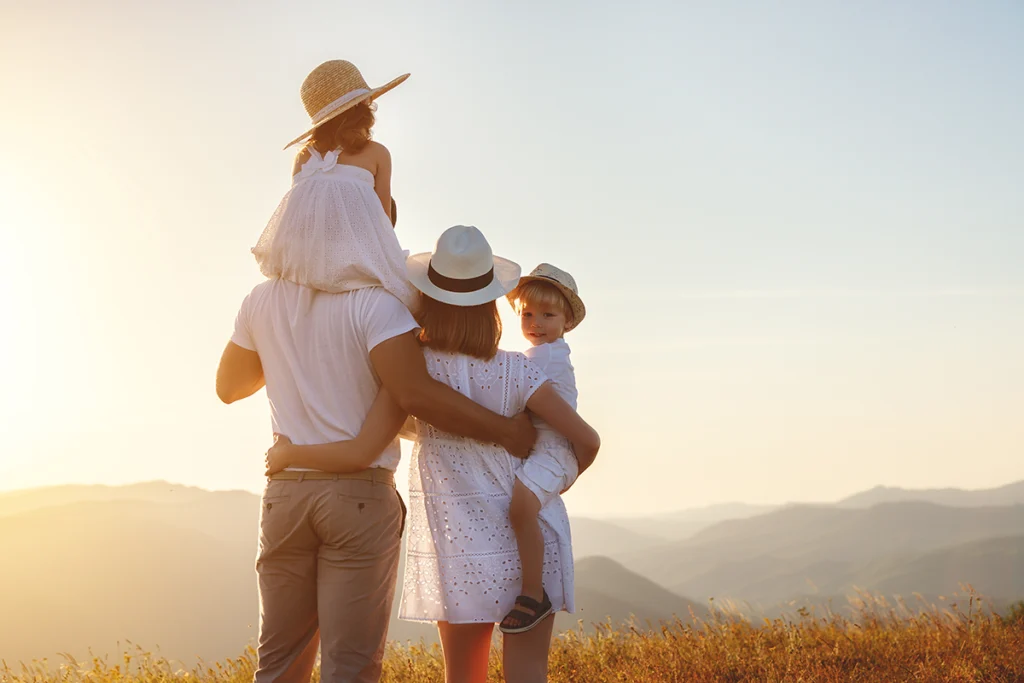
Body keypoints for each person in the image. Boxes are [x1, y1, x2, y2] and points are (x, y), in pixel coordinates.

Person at [216, 63, 537, 683]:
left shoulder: (262, 302)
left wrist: (287, 348)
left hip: (285, 494)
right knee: (351, 665)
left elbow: (230, 387)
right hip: (357, 496)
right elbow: (416, 393)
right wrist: (507, 431)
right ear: (373, 197)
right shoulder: (378, 304)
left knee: (278, 663)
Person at [266, 225, 599, 683]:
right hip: (528, 541)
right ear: (491, 303)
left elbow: (367, 445)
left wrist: (292, 451)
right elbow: (586, 440)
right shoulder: (519, 371)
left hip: (461, 545)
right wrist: (548, 480)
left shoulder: (412, 376)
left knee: (464, 677)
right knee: (528, 675)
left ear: (427, 299)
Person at [251, 59, 418, 311]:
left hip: (306, 265)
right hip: (359, 261)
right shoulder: (377, 154)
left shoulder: (303, 158)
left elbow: (306, 220)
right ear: (362, 106)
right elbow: (382, 225)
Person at [498, 264, 588, 634]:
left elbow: (511, 391)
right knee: (523, 508)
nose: (535, 323)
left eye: (548, 315)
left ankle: (533, 593)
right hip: (548, 448)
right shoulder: (551, 352)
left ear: (566, 321)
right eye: (527, 314)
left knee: (520, 507)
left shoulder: (538, 358)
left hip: (553, 450)